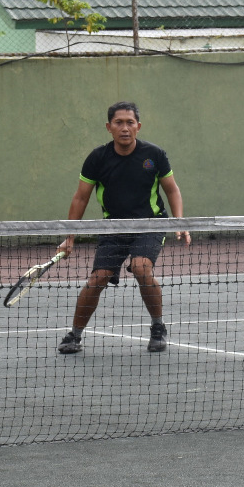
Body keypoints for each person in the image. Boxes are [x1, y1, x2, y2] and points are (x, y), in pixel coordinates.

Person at [55, 102, 189, 354]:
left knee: (141, 267)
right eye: (119, 122)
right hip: (114, 227)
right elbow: (80, 198)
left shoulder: (154, 155)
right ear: (109, 127)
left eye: (130, 122)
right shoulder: (97, 158)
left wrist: (179, 223)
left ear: (138, 126)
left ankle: (158, 327)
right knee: (98, 278)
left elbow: (172, 189)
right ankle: (75, 335)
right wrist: (69, 238)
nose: (125, 128)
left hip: (150, 224)